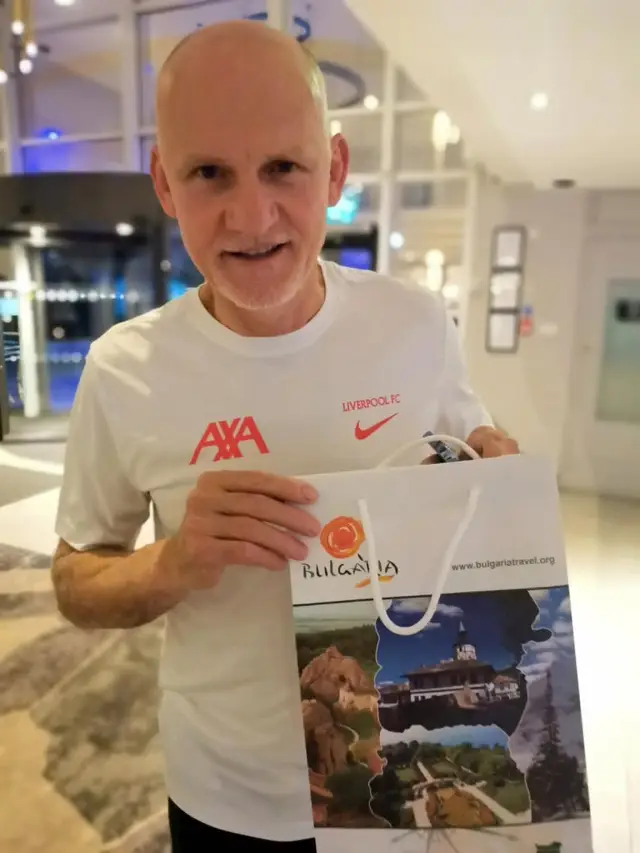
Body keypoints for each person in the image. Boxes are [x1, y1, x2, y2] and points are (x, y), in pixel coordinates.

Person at [51, 19, 518, 853]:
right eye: (209, 173)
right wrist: (174, 560)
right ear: (164, 183)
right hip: (224, 798)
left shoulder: (415, 325)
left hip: (405, 781)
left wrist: (498, 482)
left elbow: (469, 473)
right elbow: (75, 580)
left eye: (283, 168)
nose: (251, 215)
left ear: (333, 169)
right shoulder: (123, 368)